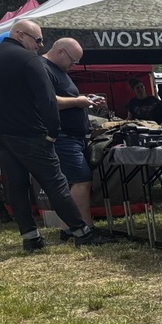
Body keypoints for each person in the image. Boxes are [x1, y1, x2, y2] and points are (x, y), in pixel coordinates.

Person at [0, 20, 112, 250]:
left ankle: (31, 238)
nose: (40, 45)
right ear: (20, 35)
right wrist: (51, 133)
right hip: (31, 132)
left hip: (3, 135)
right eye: (37, 40)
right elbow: (47, 100)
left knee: (17, 185)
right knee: (56, 183)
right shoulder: (29, 60)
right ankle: (82, 232)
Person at [43, 37, 106, 232]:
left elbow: (64, 98)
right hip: (63, 136)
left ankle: (68, 228)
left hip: (72, 136)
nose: (74, 65)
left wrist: (85, 99)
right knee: (82, 181)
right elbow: (48, 101)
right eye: (73, 60)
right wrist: (79, 102)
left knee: (75, 182)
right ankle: (85, 228)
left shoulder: (58, 70)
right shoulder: (43, 68)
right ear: (60, 51)